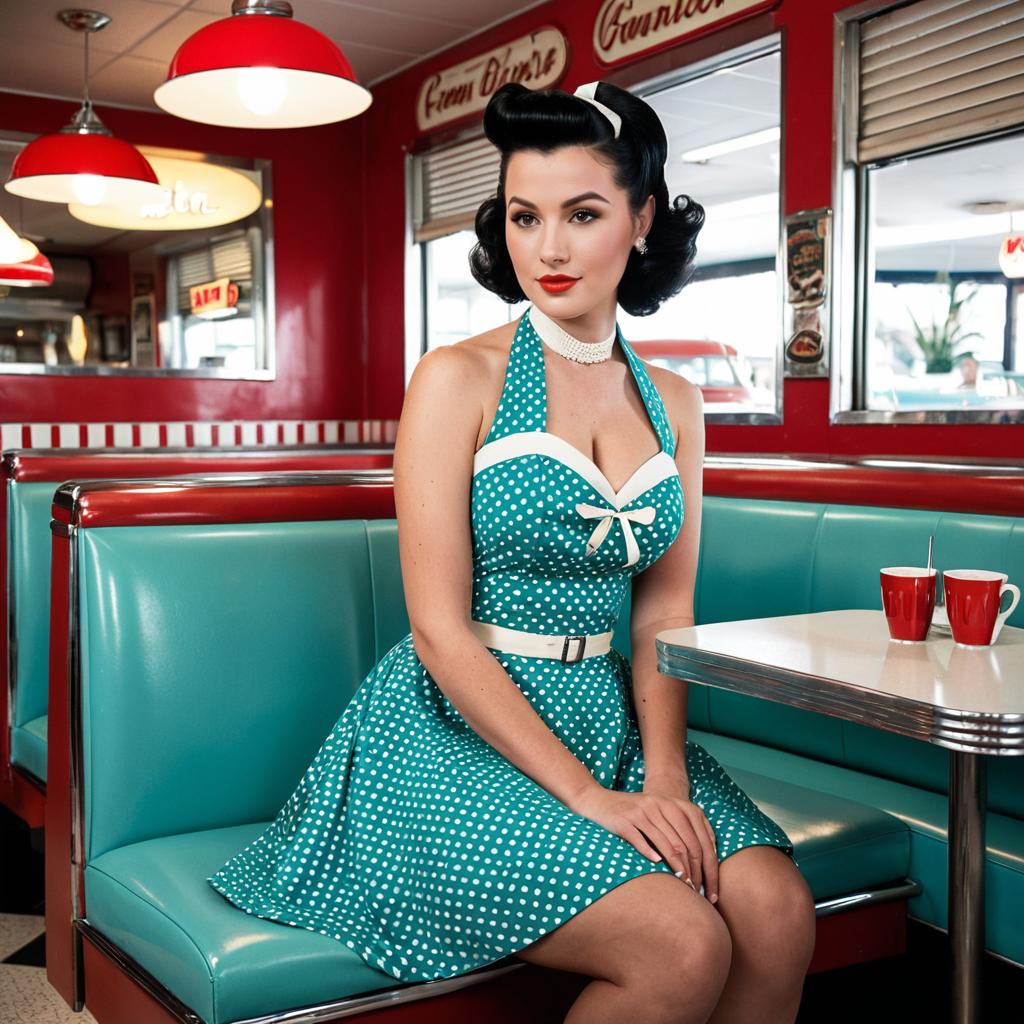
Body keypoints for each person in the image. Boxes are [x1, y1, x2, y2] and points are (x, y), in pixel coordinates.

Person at [208, 80, 816, 1023]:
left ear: (642, 219)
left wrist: (660, 776)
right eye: (526, 217)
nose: (550, 249)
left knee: (777, 912)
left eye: (583, 213)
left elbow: (665, 611)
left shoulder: (679, 405)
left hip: (613, 717)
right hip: (451, 727)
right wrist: (584, 796)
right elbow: (439, 630)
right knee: (679, 939)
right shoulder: (457, 378)